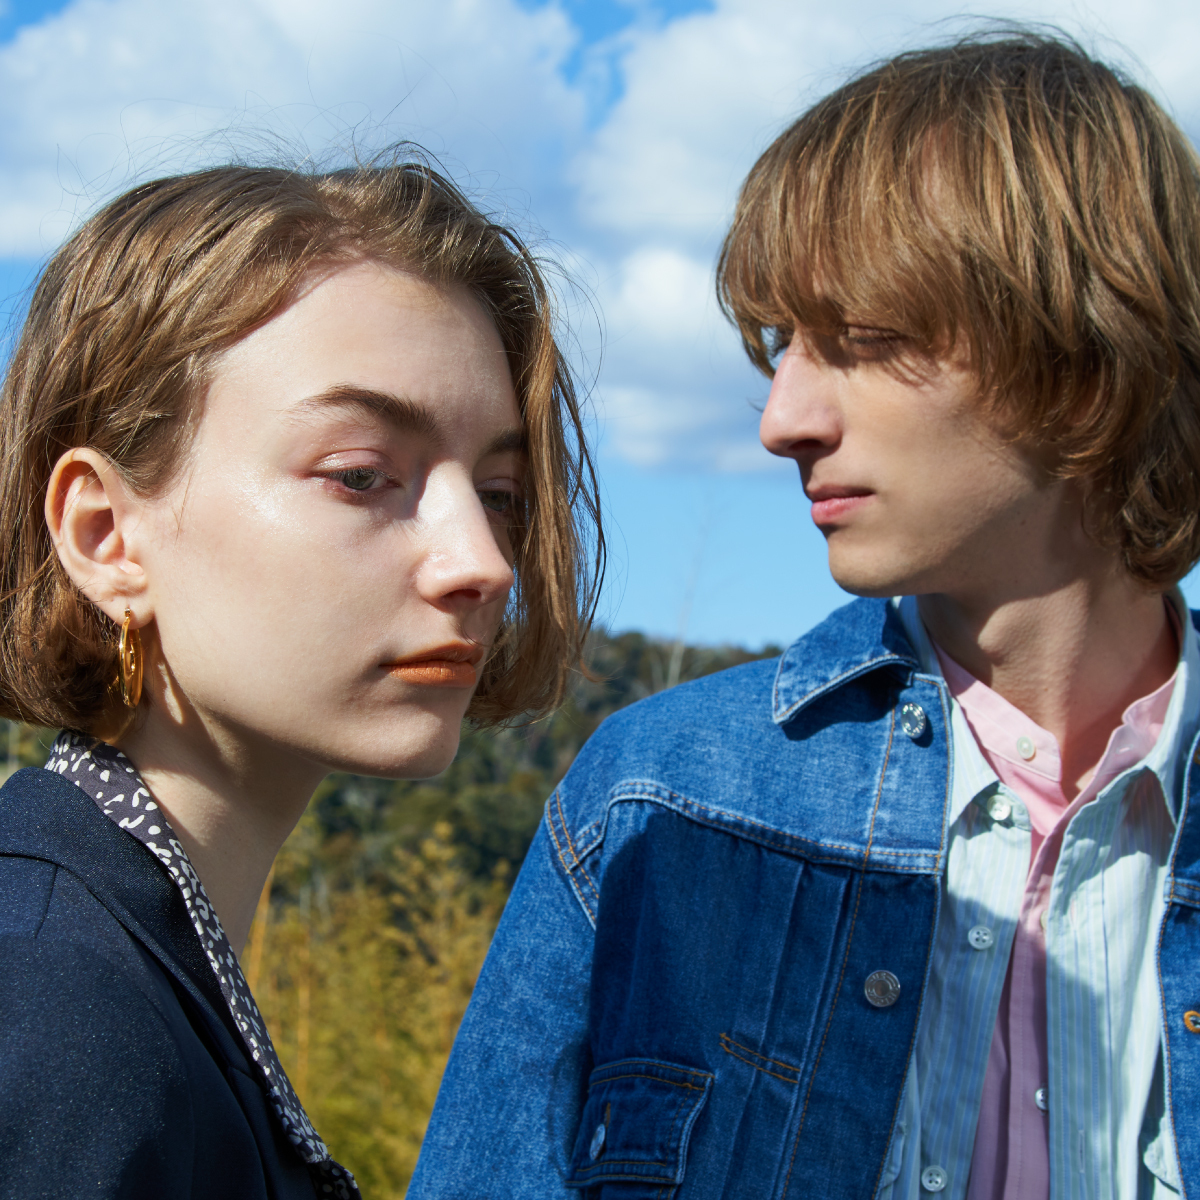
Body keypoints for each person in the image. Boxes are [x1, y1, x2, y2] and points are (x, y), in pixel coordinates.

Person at [409, 30, 1200, 1200]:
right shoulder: (664, 800)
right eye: (783, 347)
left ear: (1086, 354)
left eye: (864, 341)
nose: (783, 420)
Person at [0, 156, 601, 1198]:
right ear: (105, 536)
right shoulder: (55, 1011)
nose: (483, 562)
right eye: (362, 475)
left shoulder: (123, 957)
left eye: (499, 492)